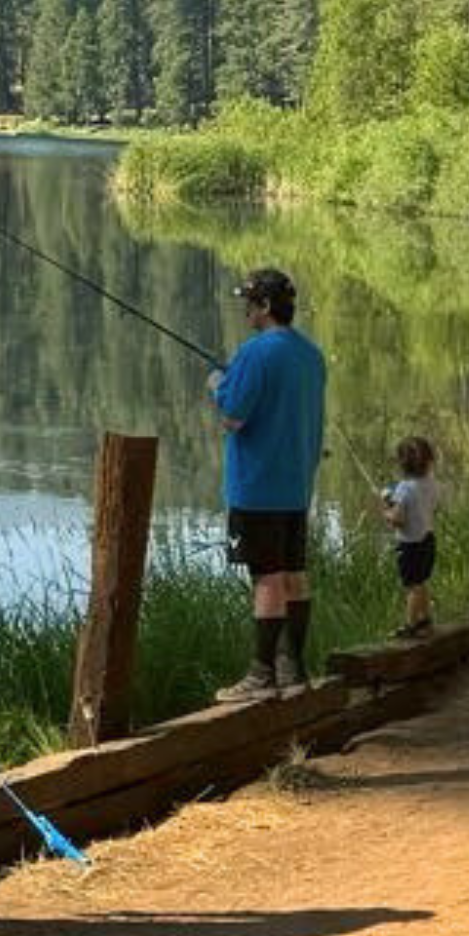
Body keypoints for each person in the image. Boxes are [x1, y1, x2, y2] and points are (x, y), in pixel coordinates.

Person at [207, 268, 327, 701]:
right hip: (296, 485)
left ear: (263, 306)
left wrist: (219, 385)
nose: (245, 309)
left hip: (256, 487)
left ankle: (260, 676)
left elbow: (234, 417)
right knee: (295, 575)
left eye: (249, 302)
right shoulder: (310, 355)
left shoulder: (255, 353)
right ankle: (293, 668)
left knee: (266, 579)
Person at [380, 436, 441, 638]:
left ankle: (411, 625)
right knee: (422, 582)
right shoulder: (431, 484)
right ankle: (425, 620)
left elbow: (398, 520)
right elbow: (428, 507)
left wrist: (387, 511)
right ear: (429, 461)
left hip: (410, 546)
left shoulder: (405, 488)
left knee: (412, 586)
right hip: (428, 540)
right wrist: (395, 500)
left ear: (402, 464)